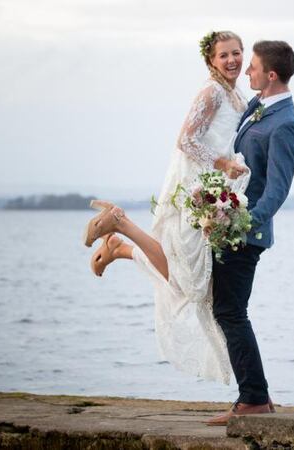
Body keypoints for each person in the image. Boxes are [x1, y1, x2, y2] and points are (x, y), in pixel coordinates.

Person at [83, 31, 250, 385]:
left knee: (189, 273)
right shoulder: (211, 92)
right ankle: (122, 228)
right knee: (189, 277)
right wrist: (222, 165)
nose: (232, 60)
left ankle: (121, 245)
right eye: (224, 55)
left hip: (215, 185)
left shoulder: (236, 93)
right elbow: (186, 139)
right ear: (211, 61)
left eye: (237, 53)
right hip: (195, 185)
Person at [204, 40, 294, 426]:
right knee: (227, 310)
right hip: (230, 224)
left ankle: (254, 400)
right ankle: (254, 396)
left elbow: (277, 191)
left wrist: (239, 225)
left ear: (271, 75)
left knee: (231, 311)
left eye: (254, 67)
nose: (247, 71)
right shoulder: (257, 107)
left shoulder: (287, 123)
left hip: (246, 233)